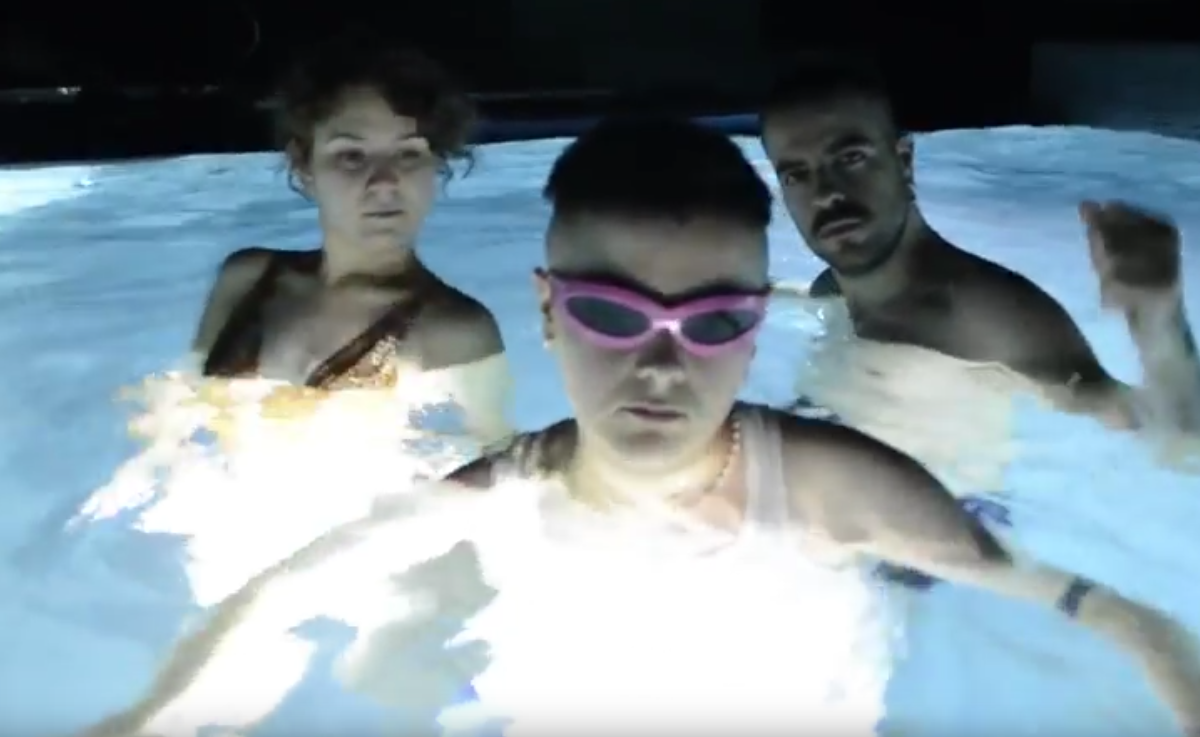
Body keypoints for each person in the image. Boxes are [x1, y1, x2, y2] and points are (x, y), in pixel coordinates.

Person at [78, 116, 1200, 737]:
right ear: (547, 310)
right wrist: (141, 718)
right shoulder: (505, 487)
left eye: (713, 321)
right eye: (615, 313)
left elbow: (1120, 616)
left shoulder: (839, 484)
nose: (662, 363)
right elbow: (283, 588)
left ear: (756, 327)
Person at [760, 60, 1200, 437]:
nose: (826, 194)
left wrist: (1157, 317)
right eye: (797, 175)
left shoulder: (988, 316)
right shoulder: (829, 290)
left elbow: (1175, 442)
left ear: (904, 162)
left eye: (850, 159)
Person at [191, 30, 512, 450]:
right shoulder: (246, 278)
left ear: (435, 164)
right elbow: (179, 412)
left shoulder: (455, 332)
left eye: (408, 153)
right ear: (304, 167)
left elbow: (495, 464)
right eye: (352, 156)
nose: (385, 183)